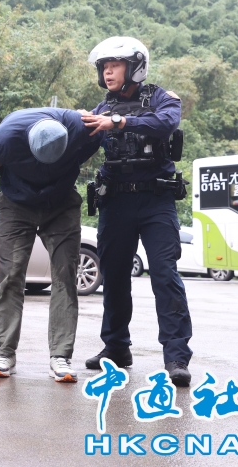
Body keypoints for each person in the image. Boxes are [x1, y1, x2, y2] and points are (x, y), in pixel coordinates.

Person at [82, 36, 193, 387]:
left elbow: (165, 124)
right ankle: (116, 348)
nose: (108, 72)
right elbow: (77, 144)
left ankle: (176, 356)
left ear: (135, 68)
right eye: (104, 67)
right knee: (114, 276)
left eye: (114, 65)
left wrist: (119, 122)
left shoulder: (161, 98)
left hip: (156, 200)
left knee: (164, 274)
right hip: (115, 200)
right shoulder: (100, 109)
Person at [0, 108, 103, 382]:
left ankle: (61, 356)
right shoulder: (4, 137)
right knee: (11, 276)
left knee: (65, 276)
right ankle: (5, 353)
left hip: (61, 204)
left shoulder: (80, 126)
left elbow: (105, 124)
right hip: (16, 205)